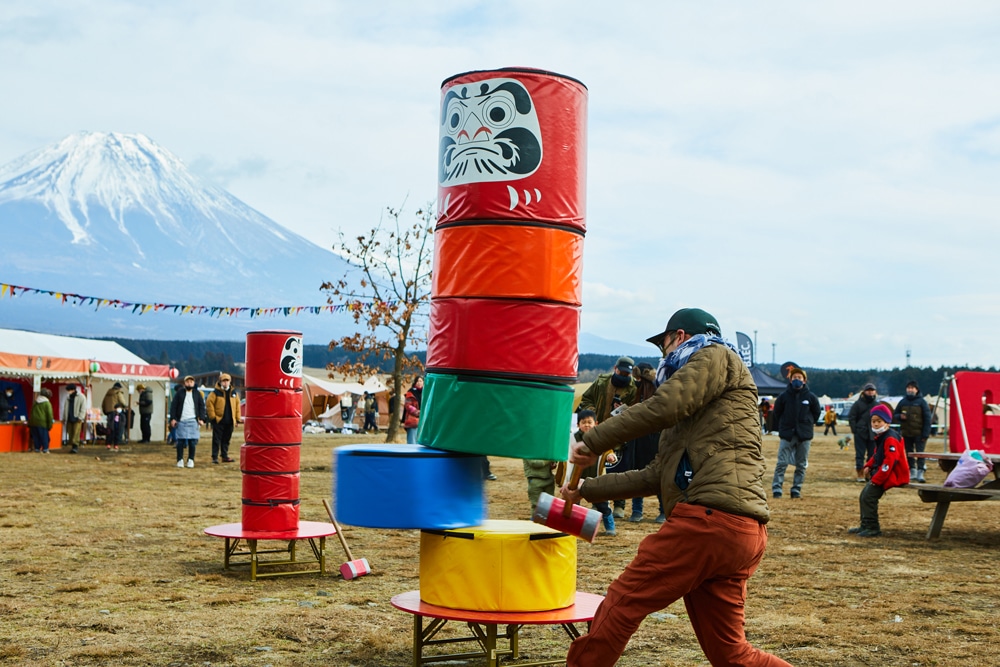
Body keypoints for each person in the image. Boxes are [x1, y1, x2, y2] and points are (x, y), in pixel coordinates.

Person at [560, 307, 791, 667]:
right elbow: (655, 475)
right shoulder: (696, 408)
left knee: (622, 602)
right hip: (739, 532)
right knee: (731, 655)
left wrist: (593, 440)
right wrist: (587, 489)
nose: (662, 355)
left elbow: (664, 405)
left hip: (708, 521)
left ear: (680, 337)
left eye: (664, 345)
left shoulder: (717, 356)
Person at [578, 356, 638, 518]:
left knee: (619, 470)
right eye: (622, 372)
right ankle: (598, 504)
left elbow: (637, 409)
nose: (624, 376)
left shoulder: (633, 388)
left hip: (619, 434)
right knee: (596, 470)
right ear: (615, 368)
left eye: (627, 374)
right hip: (597, 433)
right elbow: (586, 398)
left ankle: (619, 505)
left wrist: (624, 410)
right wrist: (592, 415)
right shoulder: (601, 382)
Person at [848, 404, 909, 538]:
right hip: (883, 473)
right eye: (873, 421)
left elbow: (890, 462)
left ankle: (872, 527)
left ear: (887, 422)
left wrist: (877, 480)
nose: (875, 424)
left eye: (879, 421)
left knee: (869, 497)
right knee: (864, 495)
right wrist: (868, 465)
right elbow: (877, 455)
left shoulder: (890, 438)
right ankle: (865, 524)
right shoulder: (882, 437)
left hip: (892, 475)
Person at [771, 367, 821, 499]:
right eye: (794, 378)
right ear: (790, 380)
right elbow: (777, 413)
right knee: (781, 463)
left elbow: (816, 413)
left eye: (799, 378)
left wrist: (807, 424)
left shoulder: (811, 397)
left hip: (804, 436)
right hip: (787, 435)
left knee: (801, 465)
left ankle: (796, 489)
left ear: (804, 380)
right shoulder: (783, 397)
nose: (797, 380)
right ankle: (777, 489)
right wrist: (784, 426)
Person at [624, 362, 665, 523]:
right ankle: (636, 510)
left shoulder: (658, 392)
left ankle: (663, 509)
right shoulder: (638, 392)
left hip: (654, 440)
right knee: (637, 473)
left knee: (658, 473)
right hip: (638, 439)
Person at [573, 409, 617, 537]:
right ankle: (575, 526)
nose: (586, 425)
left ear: (596, 423)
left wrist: (611, 456)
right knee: (575, 505)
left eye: (589, 422)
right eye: (583, 422)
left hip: (596, 478)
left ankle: (610, 527)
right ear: (578, 425)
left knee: (602, 504)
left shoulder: (601, 439)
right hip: (577, 478)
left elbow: (608, 451)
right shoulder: (573, 439)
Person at [894, 380, 932, 483]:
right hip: (906, 433)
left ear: (916, 390)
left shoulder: (922, 402)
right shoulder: (903, 402)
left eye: (912, 388)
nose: (910, 390)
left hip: (919, 433)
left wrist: (926, 433)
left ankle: (920, 471)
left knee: (920, 453)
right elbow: (895, 414)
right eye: (908, 388)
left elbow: (928, 419)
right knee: (908, 453)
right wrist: (899, 416)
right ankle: (912, 471)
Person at [170, 376, 206, 468]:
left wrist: (201, 419)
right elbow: (174, 406)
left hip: (193, 420)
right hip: (181, 420)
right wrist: (173, 418)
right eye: (187, 382)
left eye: (191, 382)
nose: (189, 383)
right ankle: (180, 460)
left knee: (192, 442)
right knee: (180, 442)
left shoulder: (197, 394)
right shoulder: (179, 393)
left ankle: (191, 459)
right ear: (184, 383)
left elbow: (202, 407)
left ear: (193, 383)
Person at [207, 373, 241, 464]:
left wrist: (237, 419)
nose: (225, 383)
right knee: (216, 439)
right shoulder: (215, 393)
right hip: (219, 420)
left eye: (227, 381)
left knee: (226, 439)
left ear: (230, 382)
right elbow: (209, 404)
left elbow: (237, 406)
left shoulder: (234, 393)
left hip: (230, 420)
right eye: (224, 381)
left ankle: (224, 455)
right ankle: (215, 456)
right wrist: (213, 417)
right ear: (220, 382)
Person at [848, 383, 879, 482]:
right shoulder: (857, 404)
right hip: (860, 432)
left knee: (872, 454)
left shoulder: (877, 405)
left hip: (873, 433)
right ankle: (860, 473)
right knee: (860, 454)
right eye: (868, 390)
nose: (870, 392)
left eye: (872, 390)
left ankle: (869, 472)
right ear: (864, 392)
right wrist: (855, 430)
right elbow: (852, 417)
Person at [101, 382, 128, 446]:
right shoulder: (118, 393)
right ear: (119, 388)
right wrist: (125, 407)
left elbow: (103, 403)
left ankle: (109, 441)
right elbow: (122, 402)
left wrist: (105, 411)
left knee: (110, 428)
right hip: (116, 412)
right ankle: (118, 440)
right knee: (118, 427)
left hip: (108, 412)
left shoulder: (108, 393)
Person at [63, 384, 87, 454]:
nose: (68, 392)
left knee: (76, 432)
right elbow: (65, 408)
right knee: (70, 432)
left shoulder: (81, 397)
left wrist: (80, 417)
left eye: (69, 390)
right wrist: (64, 417)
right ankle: (72, 445)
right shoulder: (68, 397)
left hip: (77, 418)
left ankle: (75, 446)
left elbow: (83, 408)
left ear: (73, 390)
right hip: (69, 418)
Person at [29, 388, 54, 453]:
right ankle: (45, 449)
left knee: (36, 437)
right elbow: (49, 415)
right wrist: (50, 425)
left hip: (33, 422)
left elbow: (31, 412)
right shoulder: (47, 403)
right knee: (44, 437)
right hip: (42, 423)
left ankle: (37, 449)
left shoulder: (36, 402)